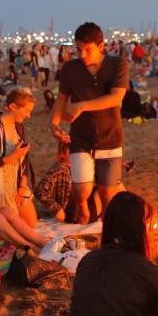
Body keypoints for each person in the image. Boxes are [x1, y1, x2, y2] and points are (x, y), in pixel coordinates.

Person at [50, 22, 129, 222]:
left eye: (88, 49)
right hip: (81, 137)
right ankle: (84, 207)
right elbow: (61, 99)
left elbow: (116, 98)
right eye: (78, 49)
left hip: (110, 135)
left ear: (101, 46)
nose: (82, 55)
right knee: (82, 189)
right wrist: (54, 123)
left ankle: (108, 228)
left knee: (107, 192)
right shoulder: (70, 69)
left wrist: (82, 106)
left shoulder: (117, 64)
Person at [0, 89, 37, 226]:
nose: (29, 115)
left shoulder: (19, 126)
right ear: (13, 107)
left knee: (31, 223)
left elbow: (24, 159)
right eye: (27, 111)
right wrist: (12, 157)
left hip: (16, 182)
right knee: (12, 228)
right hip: (0, 186)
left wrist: (22, 185)